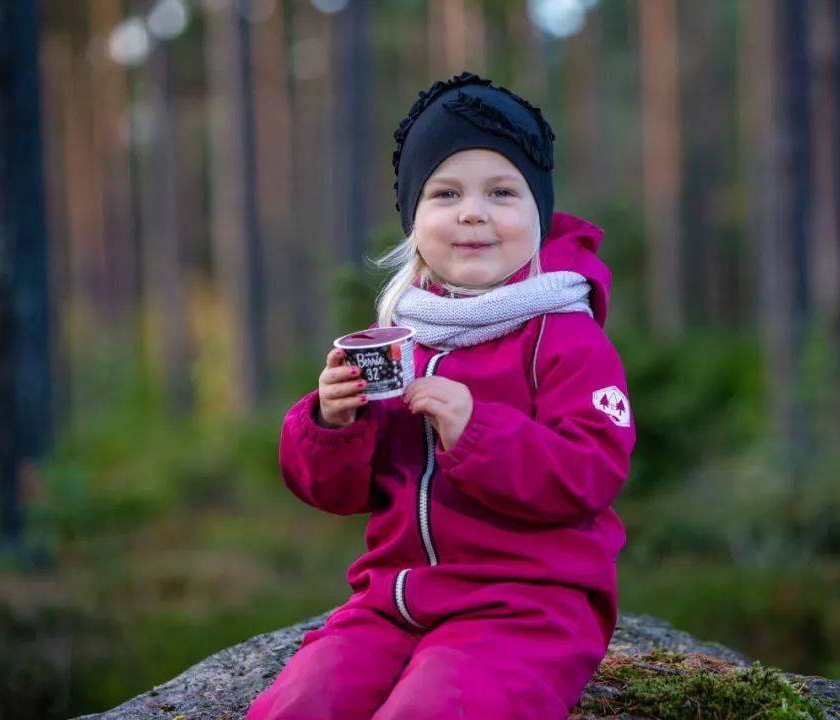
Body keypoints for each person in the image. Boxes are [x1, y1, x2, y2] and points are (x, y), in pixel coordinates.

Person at [245, 70, 636, 720]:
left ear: (539, 214)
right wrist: (331, 422)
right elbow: (337, 492)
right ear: (414, 220)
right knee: (302, 703)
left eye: (502, 192)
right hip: (393, 604)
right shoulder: (400, 336)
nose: (472, 212)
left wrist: (476, 431)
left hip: (527, 609)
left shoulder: (566, 335)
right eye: (445, 192)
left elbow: (592, 471)